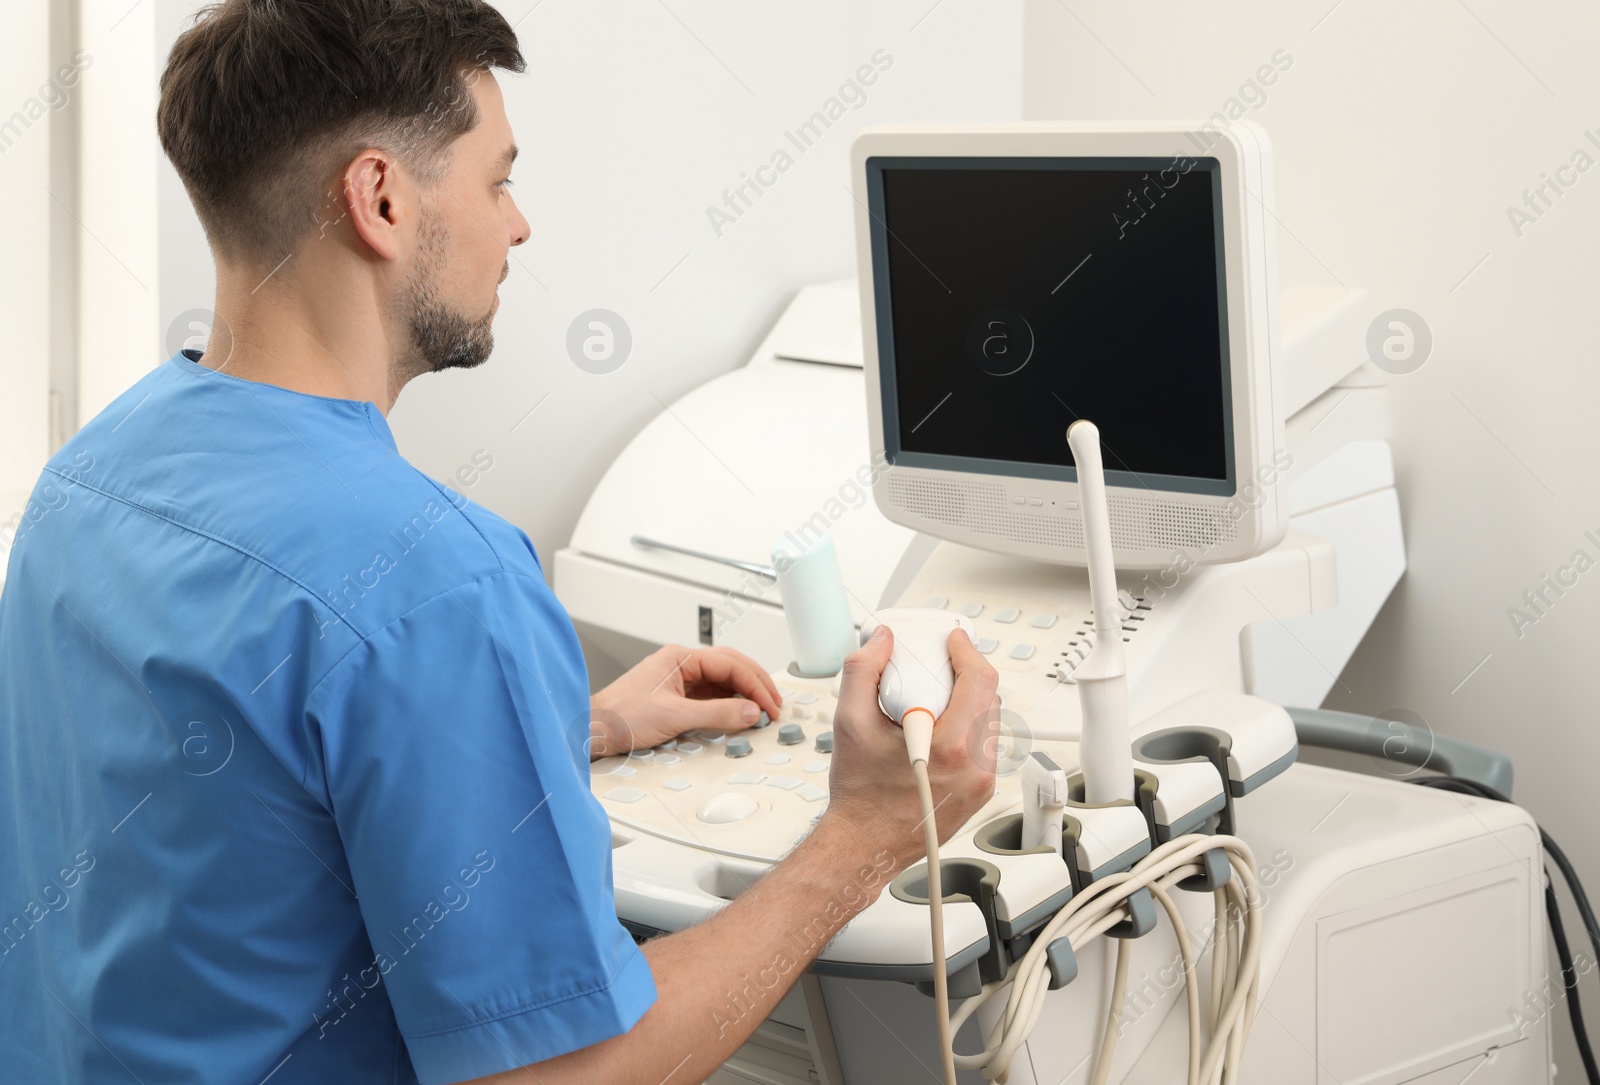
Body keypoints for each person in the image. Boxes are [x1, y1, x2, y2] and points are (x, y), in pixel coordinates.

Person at [0, 2, 998, 1082]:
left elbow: (234, 820)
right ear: (379, 199)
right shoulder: (436, 578)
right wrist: (862, 840)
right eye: (498, 180)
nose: (517, 228)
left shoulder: (88, 474)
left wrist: (578, 724)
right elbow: (561, 1076)